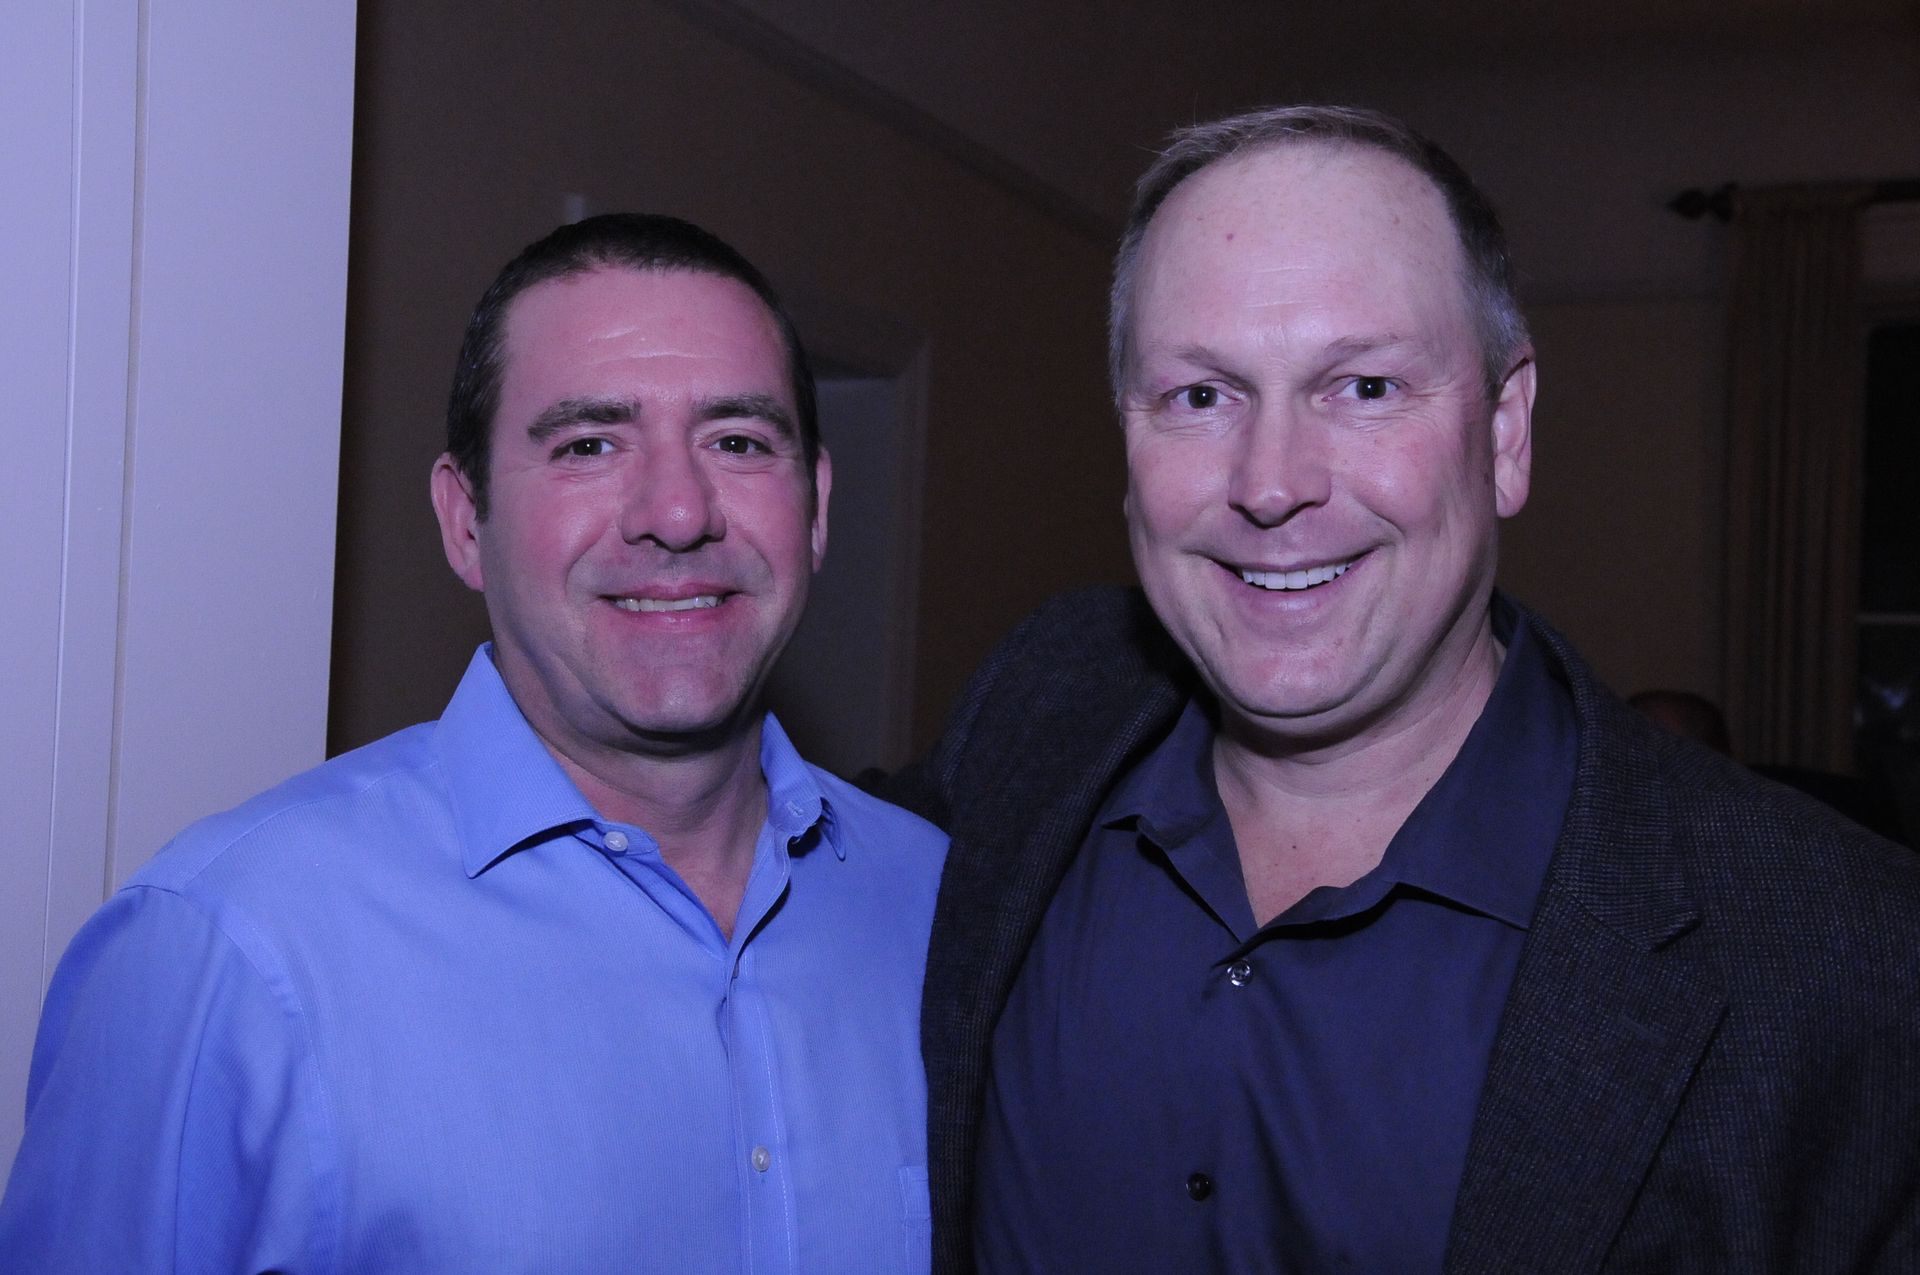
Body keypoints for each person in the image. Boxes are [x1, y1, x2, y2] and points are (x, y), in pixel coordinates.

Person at [894, 106, 1920, 1273]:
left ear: (1507, 431)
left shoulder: (1848, 965)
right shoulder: (1034, 712)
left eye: (1366, 387)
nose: (1271, 485)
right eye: (1201, 396)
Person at [0, 214, 945, 1274]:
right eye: (590, 444)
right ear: (464, 521)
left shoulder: (946, 912)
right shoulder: (228, 954)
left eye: (737, 441)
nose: (678, 513)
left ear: (813, 509)